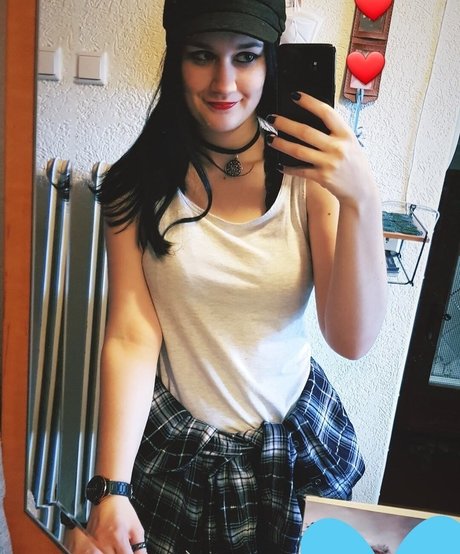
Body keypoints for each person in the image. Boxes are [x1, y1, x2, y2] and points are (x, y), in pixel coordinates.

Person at [68, 0, 387, 552]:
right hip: (180, 452)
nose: (224, 82)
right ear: (176, 61)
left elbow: (351, 339)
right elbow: (131, 335)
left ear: (270, 63)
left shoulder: (308, 180)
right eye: (201, 56)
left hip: (292, 447)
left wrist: (362, 198)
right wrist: (110, 489)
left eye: (245, 57)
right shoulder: (135, 183)